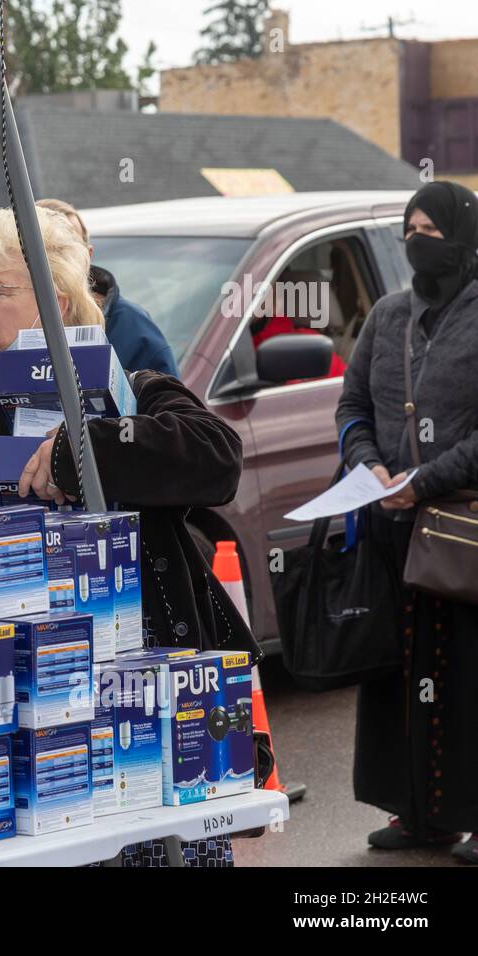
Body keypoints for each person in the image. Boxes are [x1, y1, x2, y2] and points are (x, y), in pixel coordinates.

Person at [0, 205, 260, 866]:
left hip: (144, 721)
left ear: (59, 305)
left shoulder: (135, 394)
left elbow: (217, 458)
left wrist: (84, 447)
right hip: (13, 719)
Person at [335, 180, 478, 864]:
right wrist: (372, 469)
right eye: (410, 228)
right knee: (403, 672)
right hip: (395, 532)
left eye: (433, 228)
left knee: (468, 677)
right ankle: (419, 814)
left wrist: (426, 479)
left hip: (464, 532)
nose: (419, 239)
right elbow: (353, 407)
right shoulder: (388, 317)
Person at [36, 198, 178, 376]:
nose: (59, 261)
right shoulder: (1, 318)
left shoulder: (131, 326)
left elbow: (169, 399)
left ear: (88, 255)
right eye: (48, 250)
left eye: (69, 249)